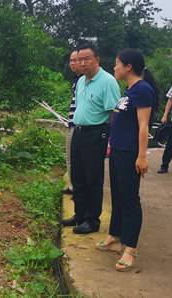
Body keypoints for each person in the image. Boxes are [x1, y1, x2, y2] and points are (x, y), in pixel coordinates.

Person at [96, 49, 159, 272]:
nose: (114, 68)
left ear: (128, 66)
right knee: (118, 195)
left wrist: (142, 156)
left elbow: (143, 126)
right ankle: (115, 235)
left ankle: (130, 249)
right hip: (118, 151)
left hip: (130, 153)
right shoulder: (130, 90)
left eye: (117, 64)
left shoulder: (142, 90)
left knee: (130, 199)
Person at [61, 44, 121, 234]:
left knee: (92, 178)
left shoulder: (107, 81)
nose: (82, 63)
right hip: (78, 132)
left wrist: (110, 140)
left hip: (96, 133)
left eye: (86, 59)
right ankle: (79, 214)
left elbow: (114, 112)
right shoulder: (80, 81)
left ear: (97, 60)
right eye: (79, 59)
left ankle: (92, 220)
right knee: (77, 176)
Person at [63, 50, 82, 195]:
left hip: (78, 126)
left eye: (76, 60)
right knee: (69, 158)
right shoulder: (76, 80)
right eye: (71, 60)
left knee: (74, 159)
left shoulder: (84, 80)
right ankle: (72, 186)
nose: (73, 63)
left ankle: (76, 188)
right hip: (71, 124)